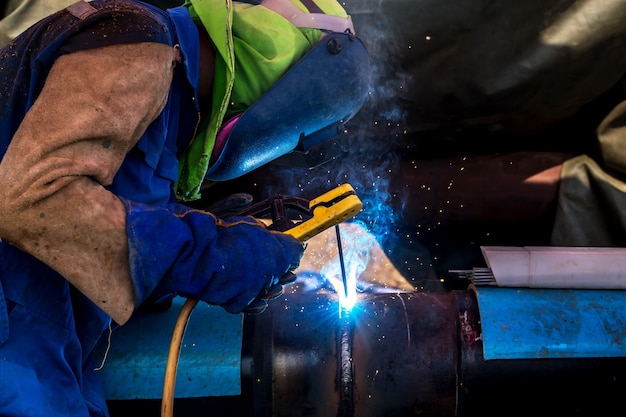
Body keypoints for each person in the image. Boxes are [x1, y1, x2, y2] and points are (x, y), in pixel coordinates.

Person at [0, 0, 368, 415]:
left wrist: (197, 233)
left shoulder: (174, 105)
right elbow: (35, 198)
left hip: (47, 332)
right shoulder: (138, 38)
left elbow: (97, 239)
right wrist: (203, 252)